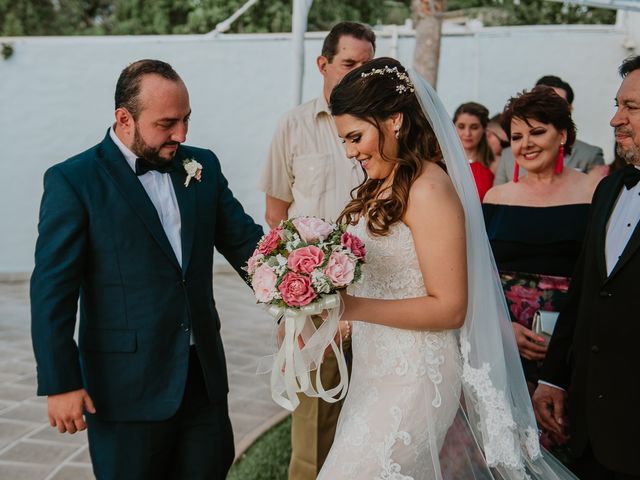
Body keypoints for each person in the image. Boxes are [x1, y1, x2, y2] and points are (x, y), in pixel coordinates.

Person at [317, 57, 576, 479]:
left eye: (355, 137)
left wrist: (351, 308)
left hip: (416, 377)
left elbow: (450, 307)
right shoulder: (380, 184)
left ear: (395, 121)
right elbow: (385, 282)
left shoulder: (429, 189)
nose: (349, 151)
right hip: (375, 370)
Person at [30, 59, 263, 480]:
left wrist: (302, 290)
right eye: (167, 123)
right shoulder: (73, 181)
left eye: (187, 120)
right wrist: (60, 381)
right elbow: (52, 289)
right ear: (124, 119)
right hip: (124, 388)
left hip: (203, 380)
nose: (182, 135)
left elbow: (246, 244)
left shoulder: (202, 167)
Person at [257, 21, 375, 479]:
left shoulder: (387, 128)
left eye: (366, 65)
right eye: (349, 64)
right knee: (314, 421)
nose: (357, 75)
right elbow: (276, 218)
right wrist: (293, 301)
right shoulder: (293, 125)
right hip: (316, 300)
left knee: (373, 416)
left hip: (384, 293)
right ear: (323, 64)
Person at [533, 55, 640, 480]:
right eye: (618, 105)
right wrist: (554, 378)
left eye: (631, 107)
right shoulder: (611, 188)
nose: (615, 119)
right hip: (589, 429)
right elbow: (584, 291)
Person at [483, 87, 595, 395]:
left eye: (537, 132)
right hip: (507, 343)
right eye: (517, 137)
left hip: (574, 343)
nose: (526, 144)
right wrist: (505, 330)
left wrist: (566, 338)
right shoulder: (496, 198)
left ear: (562, 135)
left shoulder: (594, 193)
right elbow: (480, 275)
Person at [494, 75, 605, 185]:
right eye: (539, 103)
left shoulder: (590, 155)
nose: (525, 144)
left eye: (556, 104)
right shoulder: (507, 156)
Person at [453, 102, 495, 200]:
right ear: (453, 127)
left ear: (484, 129)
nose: (467, 133)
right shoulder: (443, 164)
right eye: (461, 127)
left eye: (474, 127)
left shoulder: (494, 164)